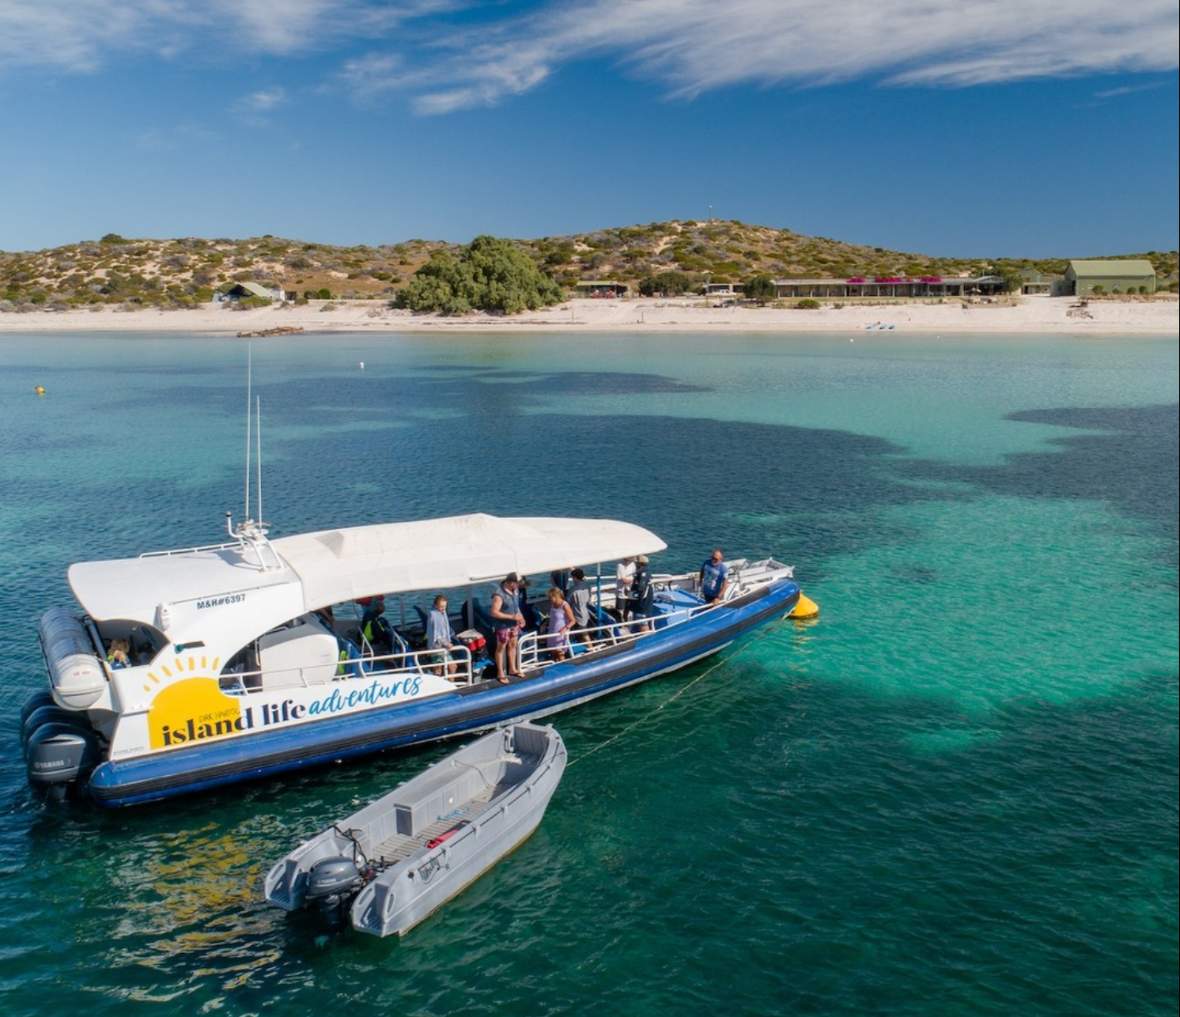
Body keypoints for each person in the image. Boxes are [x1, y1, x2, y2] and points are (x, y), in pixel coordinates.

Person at [489, 573, 526, 684]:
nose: (518, 586)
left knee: (513, 645)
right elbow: (494, 612)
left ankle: (512, 669)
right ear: (511, 582)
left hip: (513, 625)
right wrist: (512, 617)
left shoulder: (515, 591)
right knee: (501, 648)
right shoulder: (499, 595)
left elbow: (516, 606)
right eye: (517, 584)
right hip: (503, 626)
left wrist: (521, 618)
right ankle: (500, 673)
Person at [425, 595, 460, 679]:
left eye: (445, 606)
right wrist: (446, 643)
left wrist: (449, 640)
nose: (443, 608)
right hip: (437, 646)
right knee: (442, 668)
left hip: (442, 645)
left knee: (448, 667)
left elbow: (445, 629)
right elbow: (436, 634)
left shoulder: (442, 613)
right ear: (436, 605)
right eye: (441, 606)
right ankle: (447, 685)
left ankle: (449, 684)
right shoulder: (433, 615)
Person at [545, 587, 576, 661]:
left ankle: (564, 667)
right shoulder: (553, 605)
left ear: (556, 596)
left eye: (550, 597)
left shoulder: (565, 605)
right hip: (552, 632)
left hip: (561, 634)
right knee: (553, 652)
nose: (549, 599)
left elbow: (573, 621)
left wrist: (565, 628)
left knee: (560, 653)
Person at [566, 567, 594, 644]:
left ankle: (591, 648)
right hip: (585, 611)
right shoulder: (587, 585)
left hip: (577, 613)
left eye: (572, 577)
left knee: (585, 633)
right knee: (584, 631)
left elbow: (567, 602)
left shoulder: (573, 589)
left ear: (575, 577)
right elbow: (589, 598)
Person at [629, 555, 655, 633]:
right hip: (640, 605)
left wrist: (630, 595)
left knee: (643, 624)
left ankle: (647, 640)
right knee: (639, 622)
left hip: (641, 605)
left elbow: (640, 589)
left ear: (639, 563)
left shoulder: (643, 574)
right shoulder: (644, 572)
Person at [615, 557, 635, 621]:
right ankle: (620, 621)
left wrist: (632, 580)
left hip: (631, 589)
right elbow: (624, 580)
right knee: (620, 608)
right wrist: (633, 580)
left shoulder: (633, 564)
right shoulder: (620, 565)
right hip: (622, 589)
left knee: (630, 606)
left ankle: (626, 619)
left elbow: (634, 576)